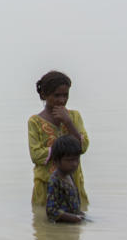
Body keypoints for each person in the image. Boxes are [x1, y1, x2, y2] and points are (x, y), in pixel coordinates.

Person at [28, 70, 89, 207]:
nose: (62, 100)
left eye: (65, 95)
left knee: (76, 219)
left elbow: (83, 146)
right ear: (44, 95)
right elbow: (36, 155)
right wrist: (62, 148)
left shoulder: (74, 117)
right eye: (56, 95)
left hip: (73, 181)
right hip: (46, 183)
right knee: (45, 218)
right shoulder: (35, 122)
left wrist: (68, 123)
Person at [46, 135, 86, 223]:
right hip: (61, 227)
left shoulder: (69, 175)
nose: (75, 164)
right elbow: (51, 211)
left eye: (77, 159)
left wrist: (79, 214)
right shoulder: (54, 181)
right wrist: (72, 218)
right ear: (56, 161)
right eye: (69, 160)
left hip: (72, 224)